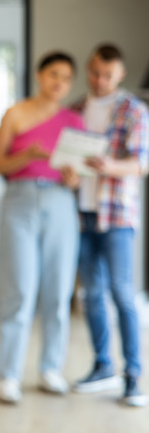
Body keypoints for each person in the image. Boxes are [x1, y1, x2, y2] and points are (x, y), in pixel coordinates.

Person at [0, 52, 85, 404]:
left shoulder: (74, 120)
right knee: (18, 291)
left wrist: (74, 179)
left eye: (66, 77)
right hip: (20, 202)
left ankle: (50, 369)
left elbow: (76, 174)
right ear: (39, 75)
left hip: (61, 203)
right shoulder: (15, 114)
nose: (59, 82)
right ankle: (8, 375)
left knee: (58, 292)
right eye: (53, 74)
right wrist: (28, 156)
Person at [67, 43, 149, 407]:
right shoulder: (76, 110)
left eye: (108, 76)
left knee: (122, 294)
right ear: (89, 68)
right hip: (81, 214)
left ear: (120, 75)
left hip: (116, 216)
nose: (100, 80)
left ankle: (133, 377)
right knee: (92, 296)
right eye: (95, 72)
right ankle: (103, 368)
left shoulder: (134, 110)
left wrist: (107, 167)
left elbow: (140, 164)